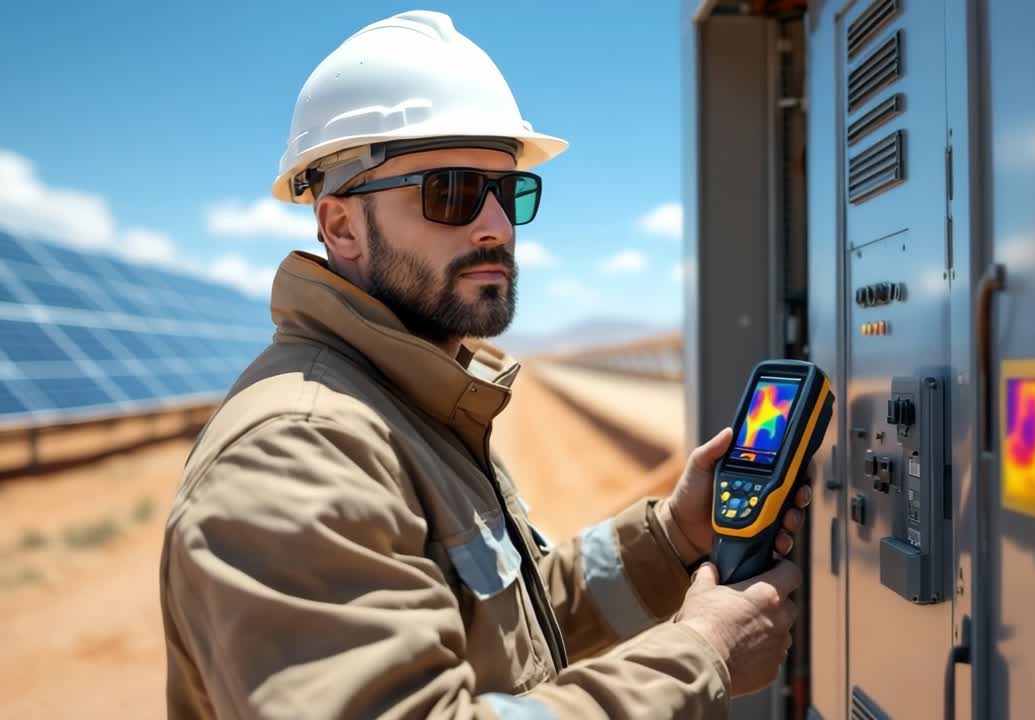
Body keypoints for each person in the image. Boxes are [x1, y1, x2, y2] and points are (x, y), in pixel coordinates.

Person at [160, 10, 810, 719]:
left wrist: (672, 537)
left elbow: (506, 629)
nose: (496, 224)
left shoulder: (412, 402)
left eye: (507, 191)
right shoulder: (297, 454)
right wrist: (701, 656)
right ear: (341, 225)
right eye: (451, 192)